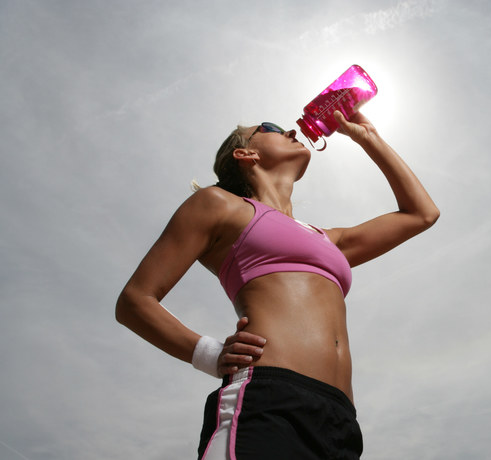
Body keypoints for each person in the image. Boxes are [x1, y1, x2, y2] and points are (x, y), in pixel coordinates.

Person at [116, 110, 439, 459]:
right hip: (268, 400)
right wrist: (210, 354)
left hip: (339, 421)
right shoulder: (219, 205)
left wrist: (368, 138)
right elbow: (135, 300)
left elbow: (421, 214)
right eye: (268, 128)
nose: (288, 129)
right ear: (245, 154)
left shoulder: (326, 239)